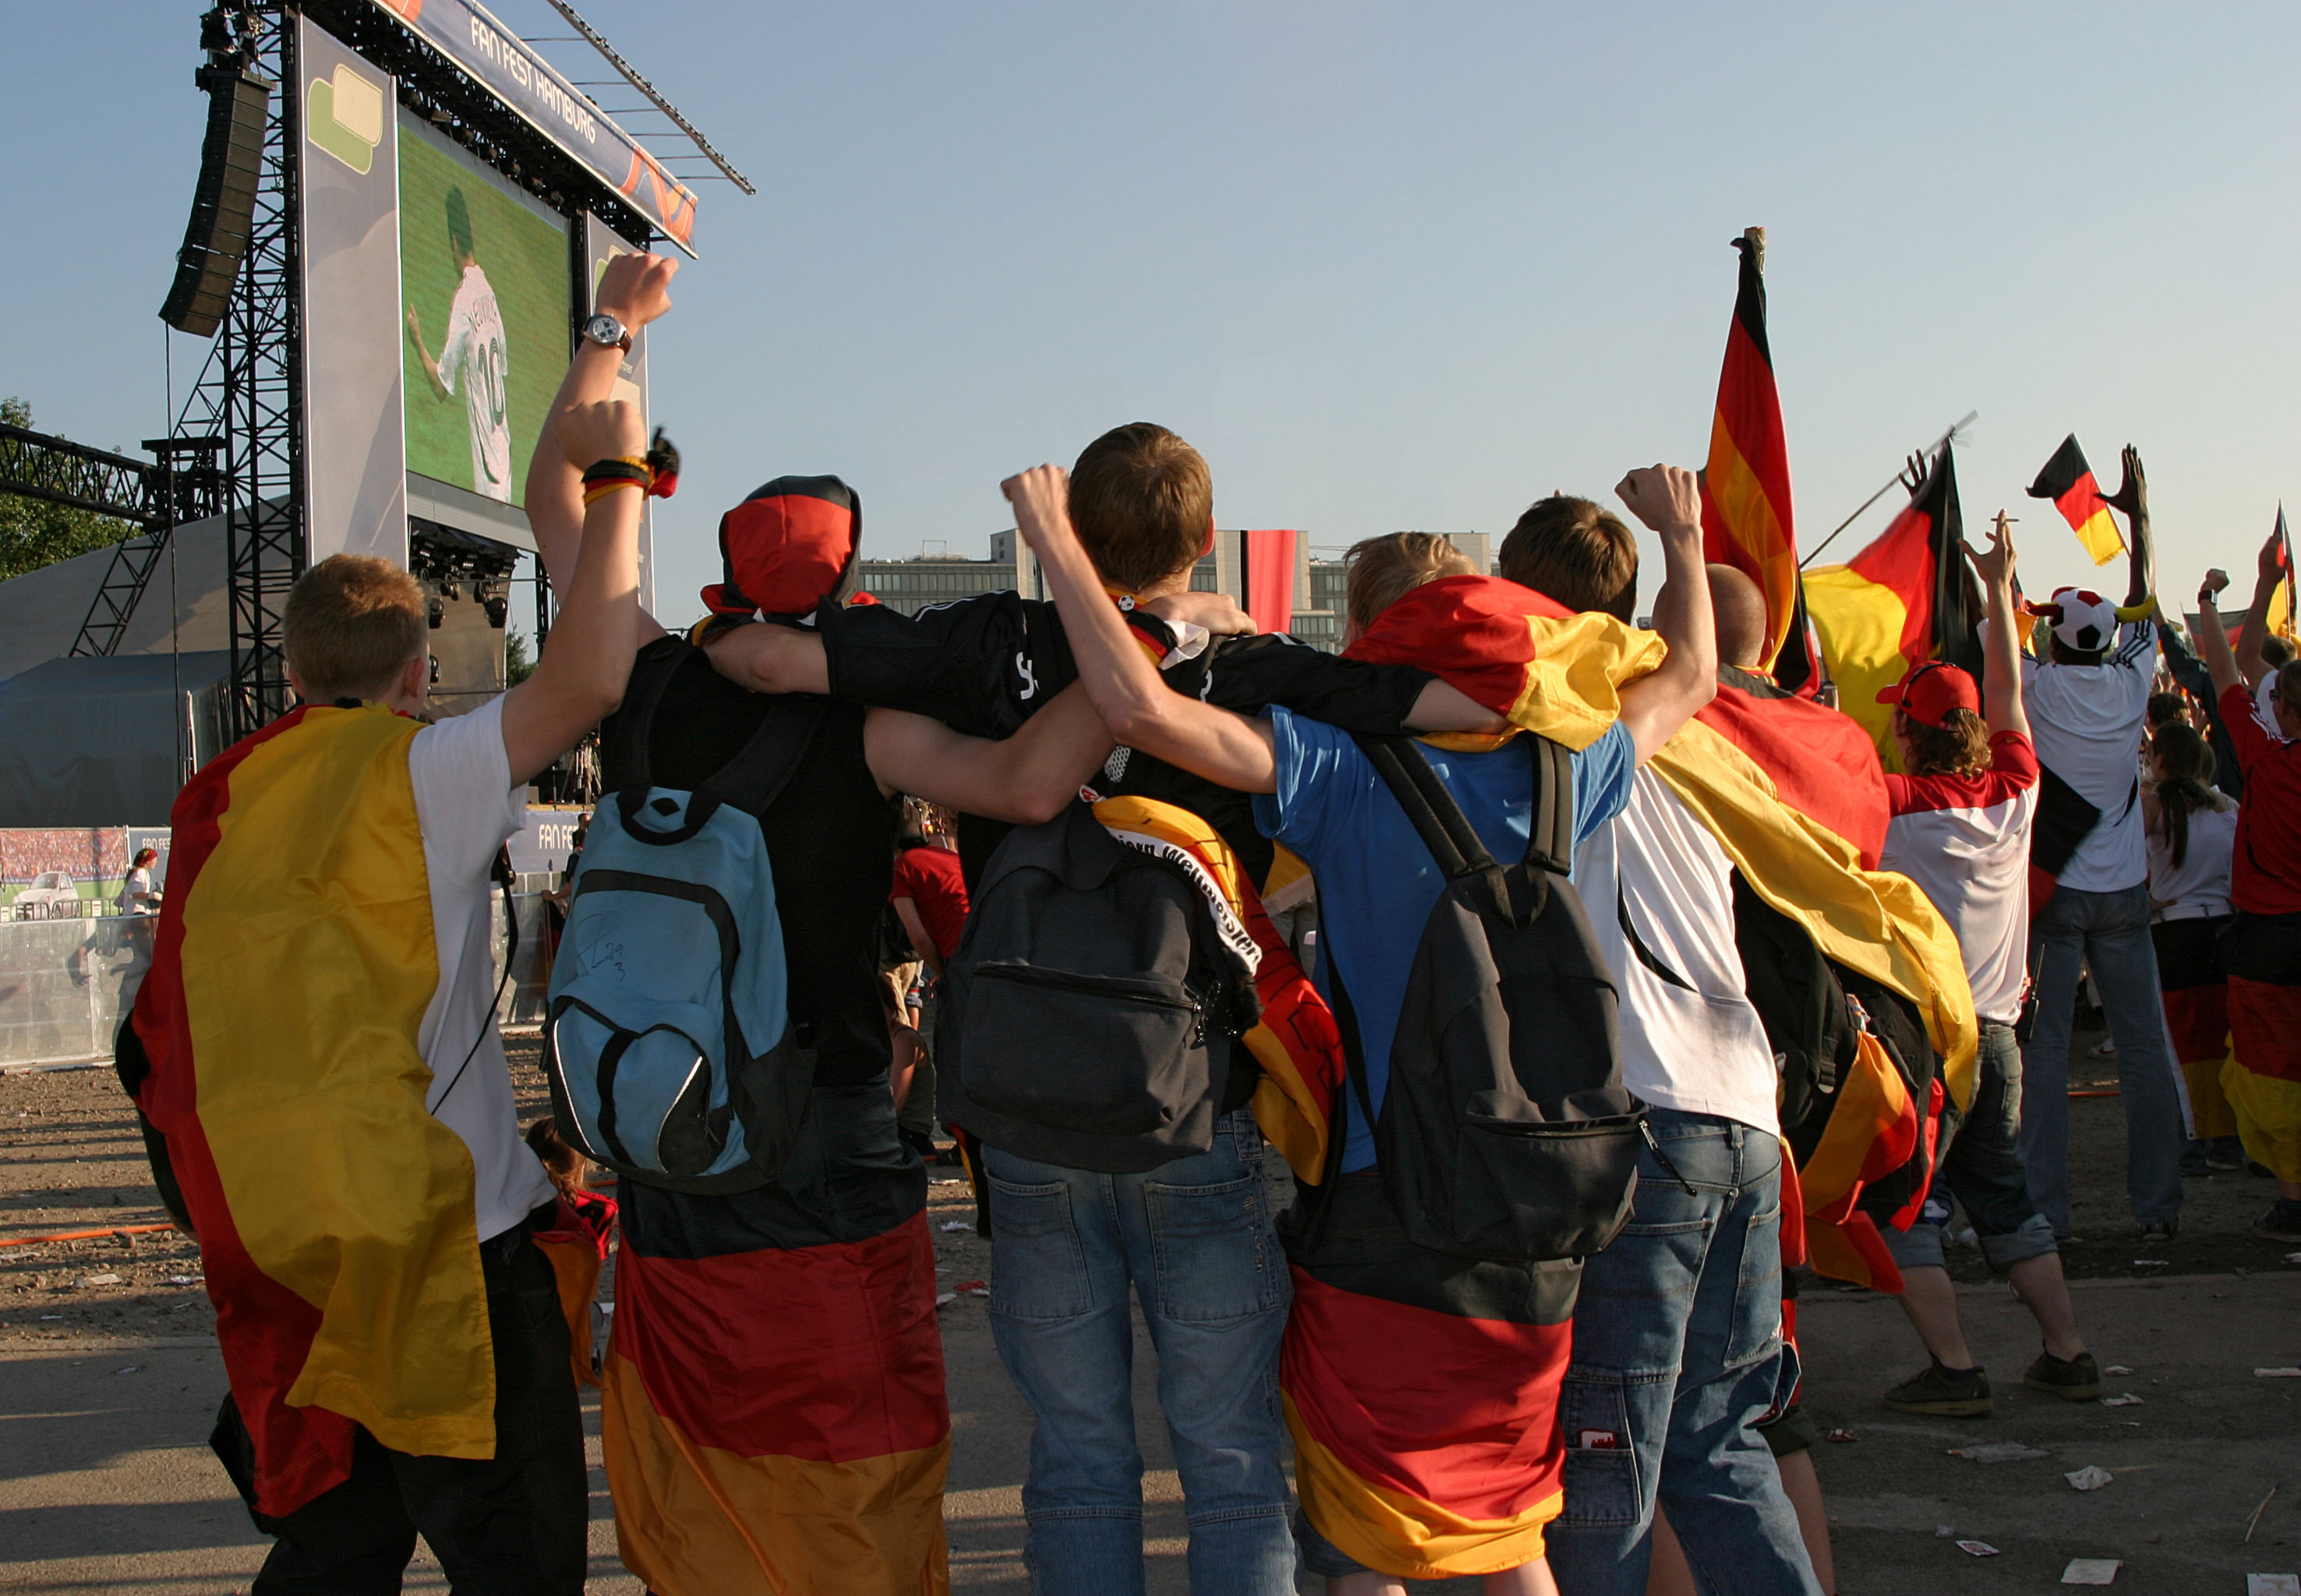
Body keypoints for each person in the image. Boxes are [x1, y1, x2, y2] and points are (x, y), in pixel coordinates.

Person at [707, 422, 1500, 1596]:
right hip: (1195, 1103)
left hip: (1026, 1110)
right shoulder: (1246, 662)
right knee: (1231, 1456)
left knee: (1077, 1458)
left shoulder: (988, 644)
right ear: (1204, 539)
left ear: (1070, 532)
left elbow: (765, 660)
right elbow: (1448, 704)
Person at [1010, 458, 1716, 1594]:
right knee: (1504, 1526)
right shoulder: (1568, 763)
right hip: (1543, 1194)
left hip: (1390, 1195)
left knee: (1364, 1542)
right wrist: (1680, 537)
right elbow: (1689, 674)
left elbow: (1136, 709)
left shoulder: (1341, 769)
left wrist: (1054, 542)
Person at [118, 252, 671, 1596]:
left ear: (296, 669)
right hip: (444, 1246)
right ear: (417, 667)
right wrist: (619, 472)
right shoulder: (424, 772)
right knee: (516, 1556)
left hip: (300, 1243)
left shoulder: (225, 797)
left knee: (334, 1552)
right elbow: (597, 666)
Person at [526, 393, 1119, 1596]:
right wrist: (1130, 656)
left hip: (666, 1106)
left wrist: (613, 349)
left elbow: (557, 504)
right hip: (824, 1109)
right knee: (847, 1416)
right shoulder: (868, 722)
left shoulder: (639, 673)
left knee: (702, 1405)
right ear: (846, 587)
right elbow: (1029, 784)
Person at [1872, 516, 2096, 1418]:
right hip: (2002, 1033)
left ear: (1914, 733)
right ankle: (2068, 1349)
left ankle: (1957, 1369)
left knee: (1903, 1205)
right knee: (2005, 1198)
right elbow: (2008, 684)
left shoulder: (1899, 808)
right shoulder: (2016, 788)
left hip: (1930, 1041)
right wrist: (2000, 590)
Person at [2012, 447, 2185, 1244]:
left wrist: (1999, 569)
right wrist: (2137, 519)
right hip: (2123, 894)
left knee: (2044, 1056)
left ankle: (2047, 1212)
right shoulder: (2132, 681)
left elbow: (1995, 623)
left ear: (2057, 638)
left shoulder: (2037, 688)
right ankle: (2159, 1211)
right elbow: (2147, 600)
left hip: (2054, 898)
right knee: (2144, 1047)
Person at [2193, 565, 2301, 1243]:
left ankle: (2294, 1202)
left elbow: (2226, 669)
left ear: (2284, 710)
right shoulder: (2267, 753)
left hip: (2267, 938)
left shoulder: (2264, 757)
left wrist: (2211, 600)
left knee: (2269, 1067)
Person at [2144, 722, 2244, 1174]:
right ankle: (2228, 1141)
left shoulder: (2153, 808)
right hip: (2225, 933)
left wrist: (2145, 901)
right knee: (2227, 1041)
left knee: (2178, 1046)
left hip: (2174, 933)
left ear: (2162, 761)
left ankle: (2190, 1147)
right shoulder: (2230, 808)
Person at [406, 185, 513, 503]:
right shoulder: (488, 292)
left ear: (453, 241)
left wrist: (417, 341)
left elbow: (440, 387)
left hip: (488, 470)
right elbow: (501, 366)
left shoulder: (463, 299)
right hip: (505, 452)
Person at [889, 821, 970, 1157]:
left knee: (955, 1054)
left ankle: (965, 1143)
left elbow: (918, 937)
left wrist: (944, 970)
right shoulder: (949, 858)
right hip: (991, 949)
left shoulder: (902, 868)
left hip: (964, 964)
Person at [116, 847, 161, 916]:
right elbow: (135, 894)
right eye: (155, 860)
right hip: (136, 914)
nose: (156, 862)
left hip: (138, 912)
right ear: (148, 861)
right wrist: (154, 896)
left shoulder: (143, 872)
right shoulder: (139, 873)